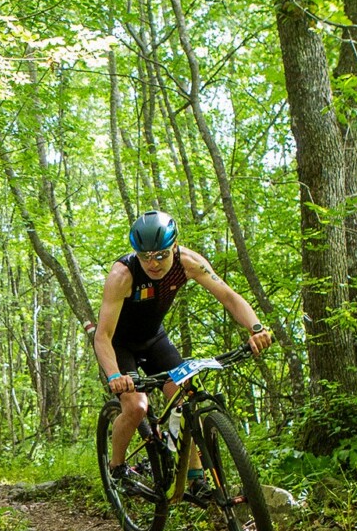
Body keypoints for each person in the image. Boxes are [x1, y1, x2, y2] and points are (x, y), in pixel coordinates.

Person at [92, 209, 272, 494]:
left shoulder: (189, 263)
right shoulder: (123, 275)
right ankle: (116, 468)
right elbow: (102, 336)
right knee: (137, 406)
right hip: (120, 345)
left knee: (185, 397)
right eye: (145, 256)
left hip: (154, 340)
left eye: (161, 255)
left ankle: (196, 479)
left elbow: (228, 296)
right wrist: (115, 374)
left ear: (174, 247)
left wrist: (256, 328)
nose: (153, 263)